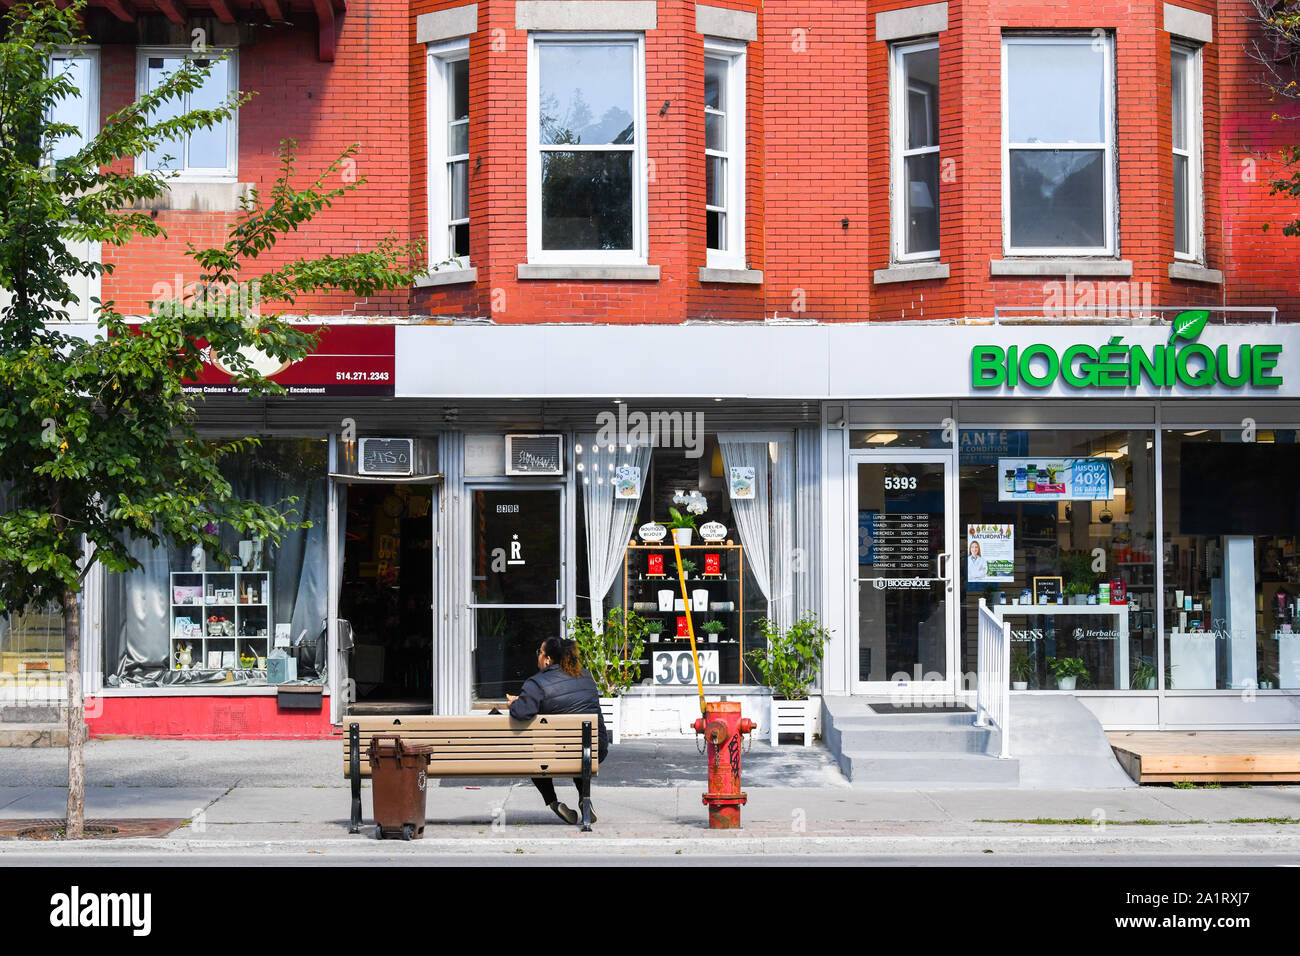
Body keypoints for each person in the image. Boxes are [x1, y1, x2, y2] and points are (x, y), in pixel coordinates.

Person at [507, 636, 609, 825]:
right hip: (595, 750)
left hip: (556, 754)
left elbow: (521, 713)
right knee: (580, 748)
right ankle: (584, 799)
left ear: (548, 659)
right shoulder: (586, 677)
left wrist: (513, 703)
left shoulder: (536, 683)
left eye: (540, 652)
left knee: (533, 752)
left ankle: (554, 802)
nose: (538, 656)